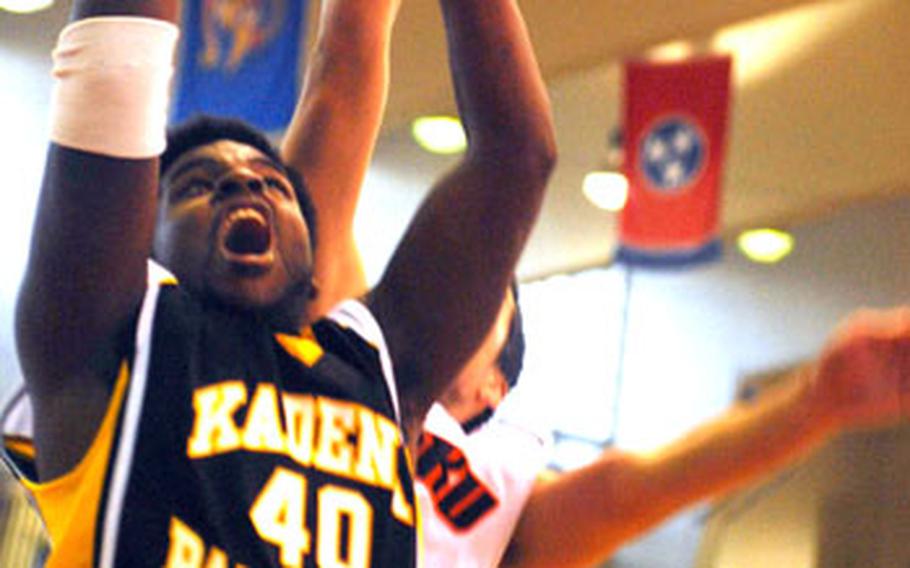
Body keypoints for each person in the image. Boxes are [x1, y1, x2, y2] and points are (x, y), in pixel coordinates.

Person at [268, 5, 910, 568]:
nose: (459, 280)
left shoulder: (490, 494)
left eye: (489, 286)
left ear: (494, 387)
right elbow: (339, 87)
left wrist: (818, 403)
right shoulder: (335, 355)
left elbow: (629, 492)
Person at [12, 0, 555, 566]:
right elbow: (114, 57)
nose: (244, 180)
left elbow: (520, 158)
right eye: (199, 184)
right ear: (146, 250)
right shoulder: (109, 337)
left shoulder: (376, 365)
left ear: (312, 252)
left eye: (275, 185)